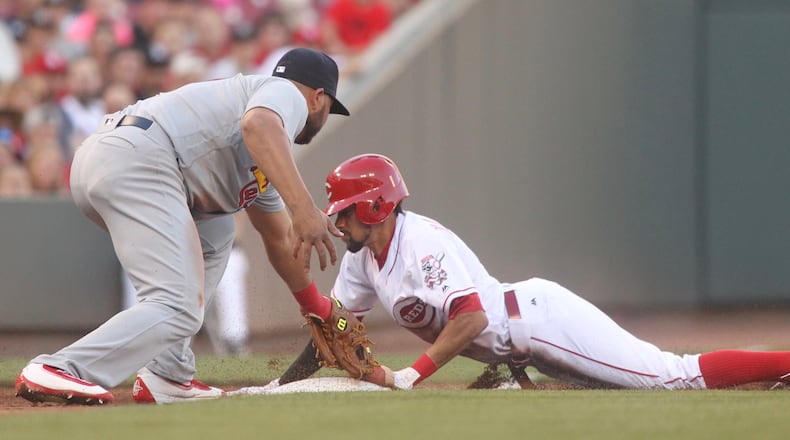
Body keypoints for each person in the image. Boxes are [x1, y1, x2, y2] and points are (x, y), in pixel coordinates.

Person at [264, 153, 790, 391]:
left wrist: (409, 375)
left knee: (675, 377)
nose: (336, 220)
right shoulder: (361, 256)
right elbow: (338, 329)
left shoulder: (419, 242)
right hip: (521, 340)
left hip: (539, 322)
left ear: (376, 207)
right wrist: (280, 386)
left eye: (345, 210)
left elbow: (468, 318)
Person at [15, 47, 349, 406]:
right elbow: (260, 124)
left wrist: (317, 307)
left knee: (218, 228)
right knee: (177, 304)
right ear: (318, 98)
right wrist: (305, 208)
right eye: (330, 108)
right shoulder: (284, 93)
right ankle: (61, 367)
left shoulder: (260, 154)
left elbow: (281, 238)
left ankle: (168, 374)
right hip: (141, 157)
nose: (325, 116)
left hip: (120, 158)